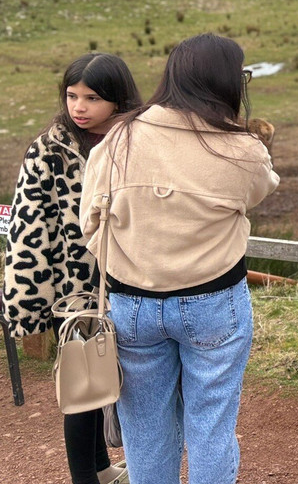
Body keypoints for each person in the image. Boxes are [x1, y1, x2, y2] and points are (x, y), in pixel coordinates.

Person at [79, 33, 279, 484]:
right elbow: (262, 189)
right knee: (211, 427)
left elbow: (89, 223)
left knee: (145, 429)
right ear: (227, 83)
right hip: (213, 302)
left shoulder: (119, 137)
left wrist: (129, 262)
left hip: (131, 304)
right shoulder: (242, 149)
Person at [3, 52, 141, 484]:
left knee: (126, 384)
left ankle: (101, 469)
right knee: (84, 386)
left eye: (92, 97)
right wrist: (26, 303)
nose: (78, 107)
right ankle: (86, 478)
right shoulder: (50, 148)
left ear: (118, 100)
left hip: (136, 281)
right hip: (77, 291)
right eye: (71, 95)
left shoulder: (138, 141)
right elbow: (28, 229)